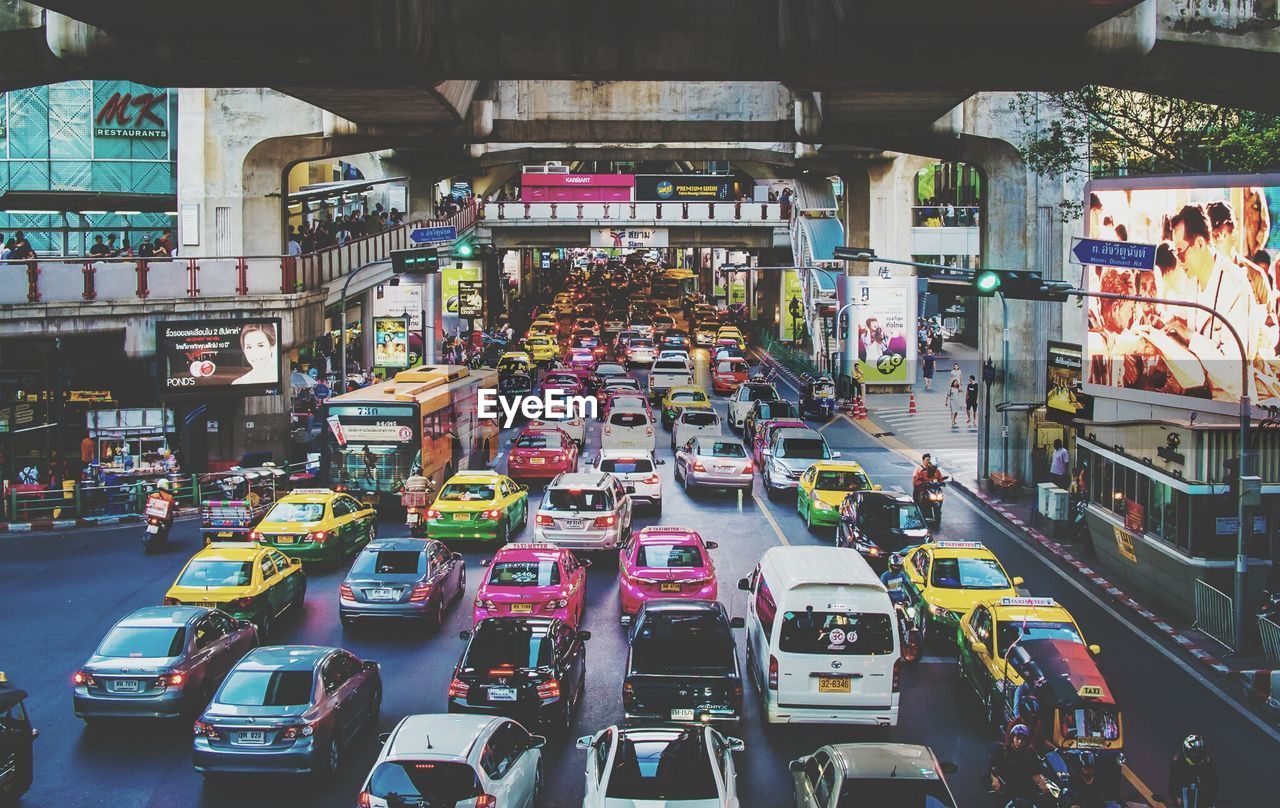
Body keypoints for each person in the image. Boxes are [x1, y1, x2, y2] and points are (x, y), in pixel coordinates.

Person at [987, 724, 1047, 802]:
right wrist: (994, 780)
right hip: (1006, 788)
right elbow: (992, 769)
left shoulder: (1029, 754)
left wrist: (1042, 784)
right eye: (1018, 738)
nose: (1020, 742)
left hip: (1022, 790)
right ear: (1012, 737)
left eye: (1023, 740)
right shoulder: (1002, 751)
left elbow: (1035, 773)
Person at [1167, 734, 1218, 808]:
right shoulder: (1178, 763)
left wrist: (1209, 802)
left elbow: (1213, 787)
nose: (1198, 755)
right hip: (1184, 802)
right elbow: (1172, 786)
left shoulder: (1207, 764)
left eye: (1200, 751)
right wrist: (1177, 799)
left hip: (1202, 803)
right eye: (1194, 752)